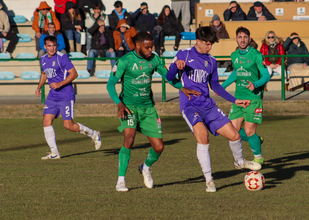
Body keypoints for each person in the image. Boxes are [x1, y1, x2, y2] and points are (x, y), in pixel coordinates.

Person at [166, 26, 261, 193]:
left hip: (208, 105)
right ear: (198, 41)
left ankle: (239, 162)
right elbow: (169, 77)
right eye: (207, 44)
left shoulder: (211, 61)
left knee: (235, 135)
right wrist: (176, 67)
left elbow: (215, 85)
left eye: (211, 44)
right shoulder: (184, 54)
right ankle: (209, 179)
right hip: (190, 105)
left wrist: (235, 100)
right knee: (203, 137)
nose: (209, 47)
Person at [106, 32, 200, 192]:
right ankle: (121, 180)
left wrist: (182, 88)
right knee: (129, 139)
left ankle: (145, 167)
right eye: (147, 47)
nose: (150, 50)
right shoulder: (125, 61)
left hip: (148, 109)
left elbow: (168, 77)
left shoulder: (155, 59)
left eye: (152, 47)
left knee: (159, 147)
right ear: (137, 46)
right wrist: (119, 104)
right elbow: (110, 84)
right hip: (129, 107)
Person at [35, 36, 101, 160]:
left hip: (65, 95)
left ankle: (93, 134)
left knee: (68, 125)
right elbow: (44, 74)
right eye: (49, 46)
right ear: (45, 47)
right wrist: (39, 87)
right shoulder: (43, 59)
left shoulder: (62, 57)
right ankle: (54, 153)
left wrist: (60, 84)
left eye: (54, 45)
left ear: (56, 45)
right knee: (46, 122)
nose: (51, 48)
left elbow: (74, 73)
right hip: (52, 96)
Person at [220, 26, 270, 166]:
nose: (242, 40)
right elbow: (236, 73)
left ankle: (258, 158)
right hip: (238, 99)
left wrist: (256, 84)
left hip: (253, 99)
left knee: (248, 130)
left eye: (245, 37)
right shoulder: (234, 55)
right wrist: (222, 86)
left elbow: (266, 75)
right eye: (240, 37)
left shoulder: (256, 55)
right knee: (232, 132)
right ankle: (255, 139)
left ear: (249, 38)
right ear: (236, 39)